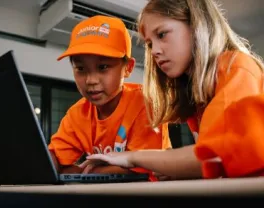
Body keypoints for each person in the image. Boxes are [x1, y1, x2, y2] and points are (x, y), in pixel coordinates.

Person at [81, 0, 264, 180]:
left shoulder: (235, 67)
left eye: (161, 34)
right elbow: (212, 167)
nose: (154, 52)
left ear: (196, 25)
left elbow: (213, 157)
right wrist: (174, 168)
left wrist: (132, 157)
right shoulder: (196, 90)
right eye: (150, 44)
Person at [48, 15, 171, 178]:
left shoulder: (145, 103)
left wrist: (87, 172)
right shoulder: (77, 114)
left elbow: (141, 171)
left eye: (103, 67)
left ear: (127, 68)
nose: (90, 80)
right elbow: (54, 160)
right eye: (80, 69)